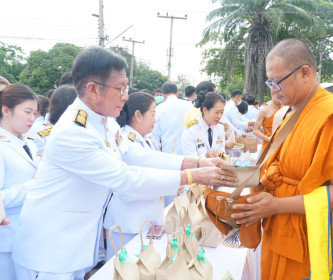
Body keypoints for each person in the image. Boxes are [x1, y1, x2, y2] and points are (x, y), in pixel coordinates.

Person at [12, 46, 237, 280]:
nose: (126, 96)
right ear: (92, 90)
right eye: (120, 88)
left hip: (72, 246)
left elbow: (135, 155)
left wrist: (195, 162)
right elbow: (125, 178)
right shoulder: (74, 132)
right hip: (49, 251)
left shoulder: (105, 123)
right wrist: (194, 177)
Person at [232, 38, 333, 279]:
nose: (272, 90)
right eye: (269, 82)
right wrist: (237, 175)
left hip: (321, 241)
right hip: (285, 233)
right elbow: (278, 168)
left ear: (305, 72)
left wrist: (277, 205)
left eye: (277, 82)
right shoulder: (286, 114)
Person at [104, 92, 165, 260]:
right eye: (153, 114)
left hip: (144, 221)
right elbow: (126, 189)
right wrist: (166, 185)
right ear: (138, 115)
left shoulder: (144, 139)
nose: (155, 120)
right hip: (129, 224)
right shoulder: (125, 141)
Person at [0, 84, 38, 280]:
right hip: (5, 240)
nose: (33, 118)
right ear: (6, 110)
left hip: (28, 236)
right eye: (27, 112)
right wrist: (36, 186)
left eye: (35, 112)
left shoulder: (28, 142)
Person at [152, 82, 193, 155]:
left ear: (163, 95)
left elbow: (155, 137)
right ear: (177, 93)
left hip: (168, 153)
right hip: (189, 151)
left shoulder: (158, 109)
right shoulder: (189, 105)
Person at [182, 92, 225, 157]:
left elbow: (222, 151)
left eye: (222, 112)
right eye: (217, 112)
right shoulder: (190, 130)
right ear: (205, 110)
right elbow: (191, 159)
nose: (220, 116)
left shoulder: (220, 127)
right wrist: (206, 155)